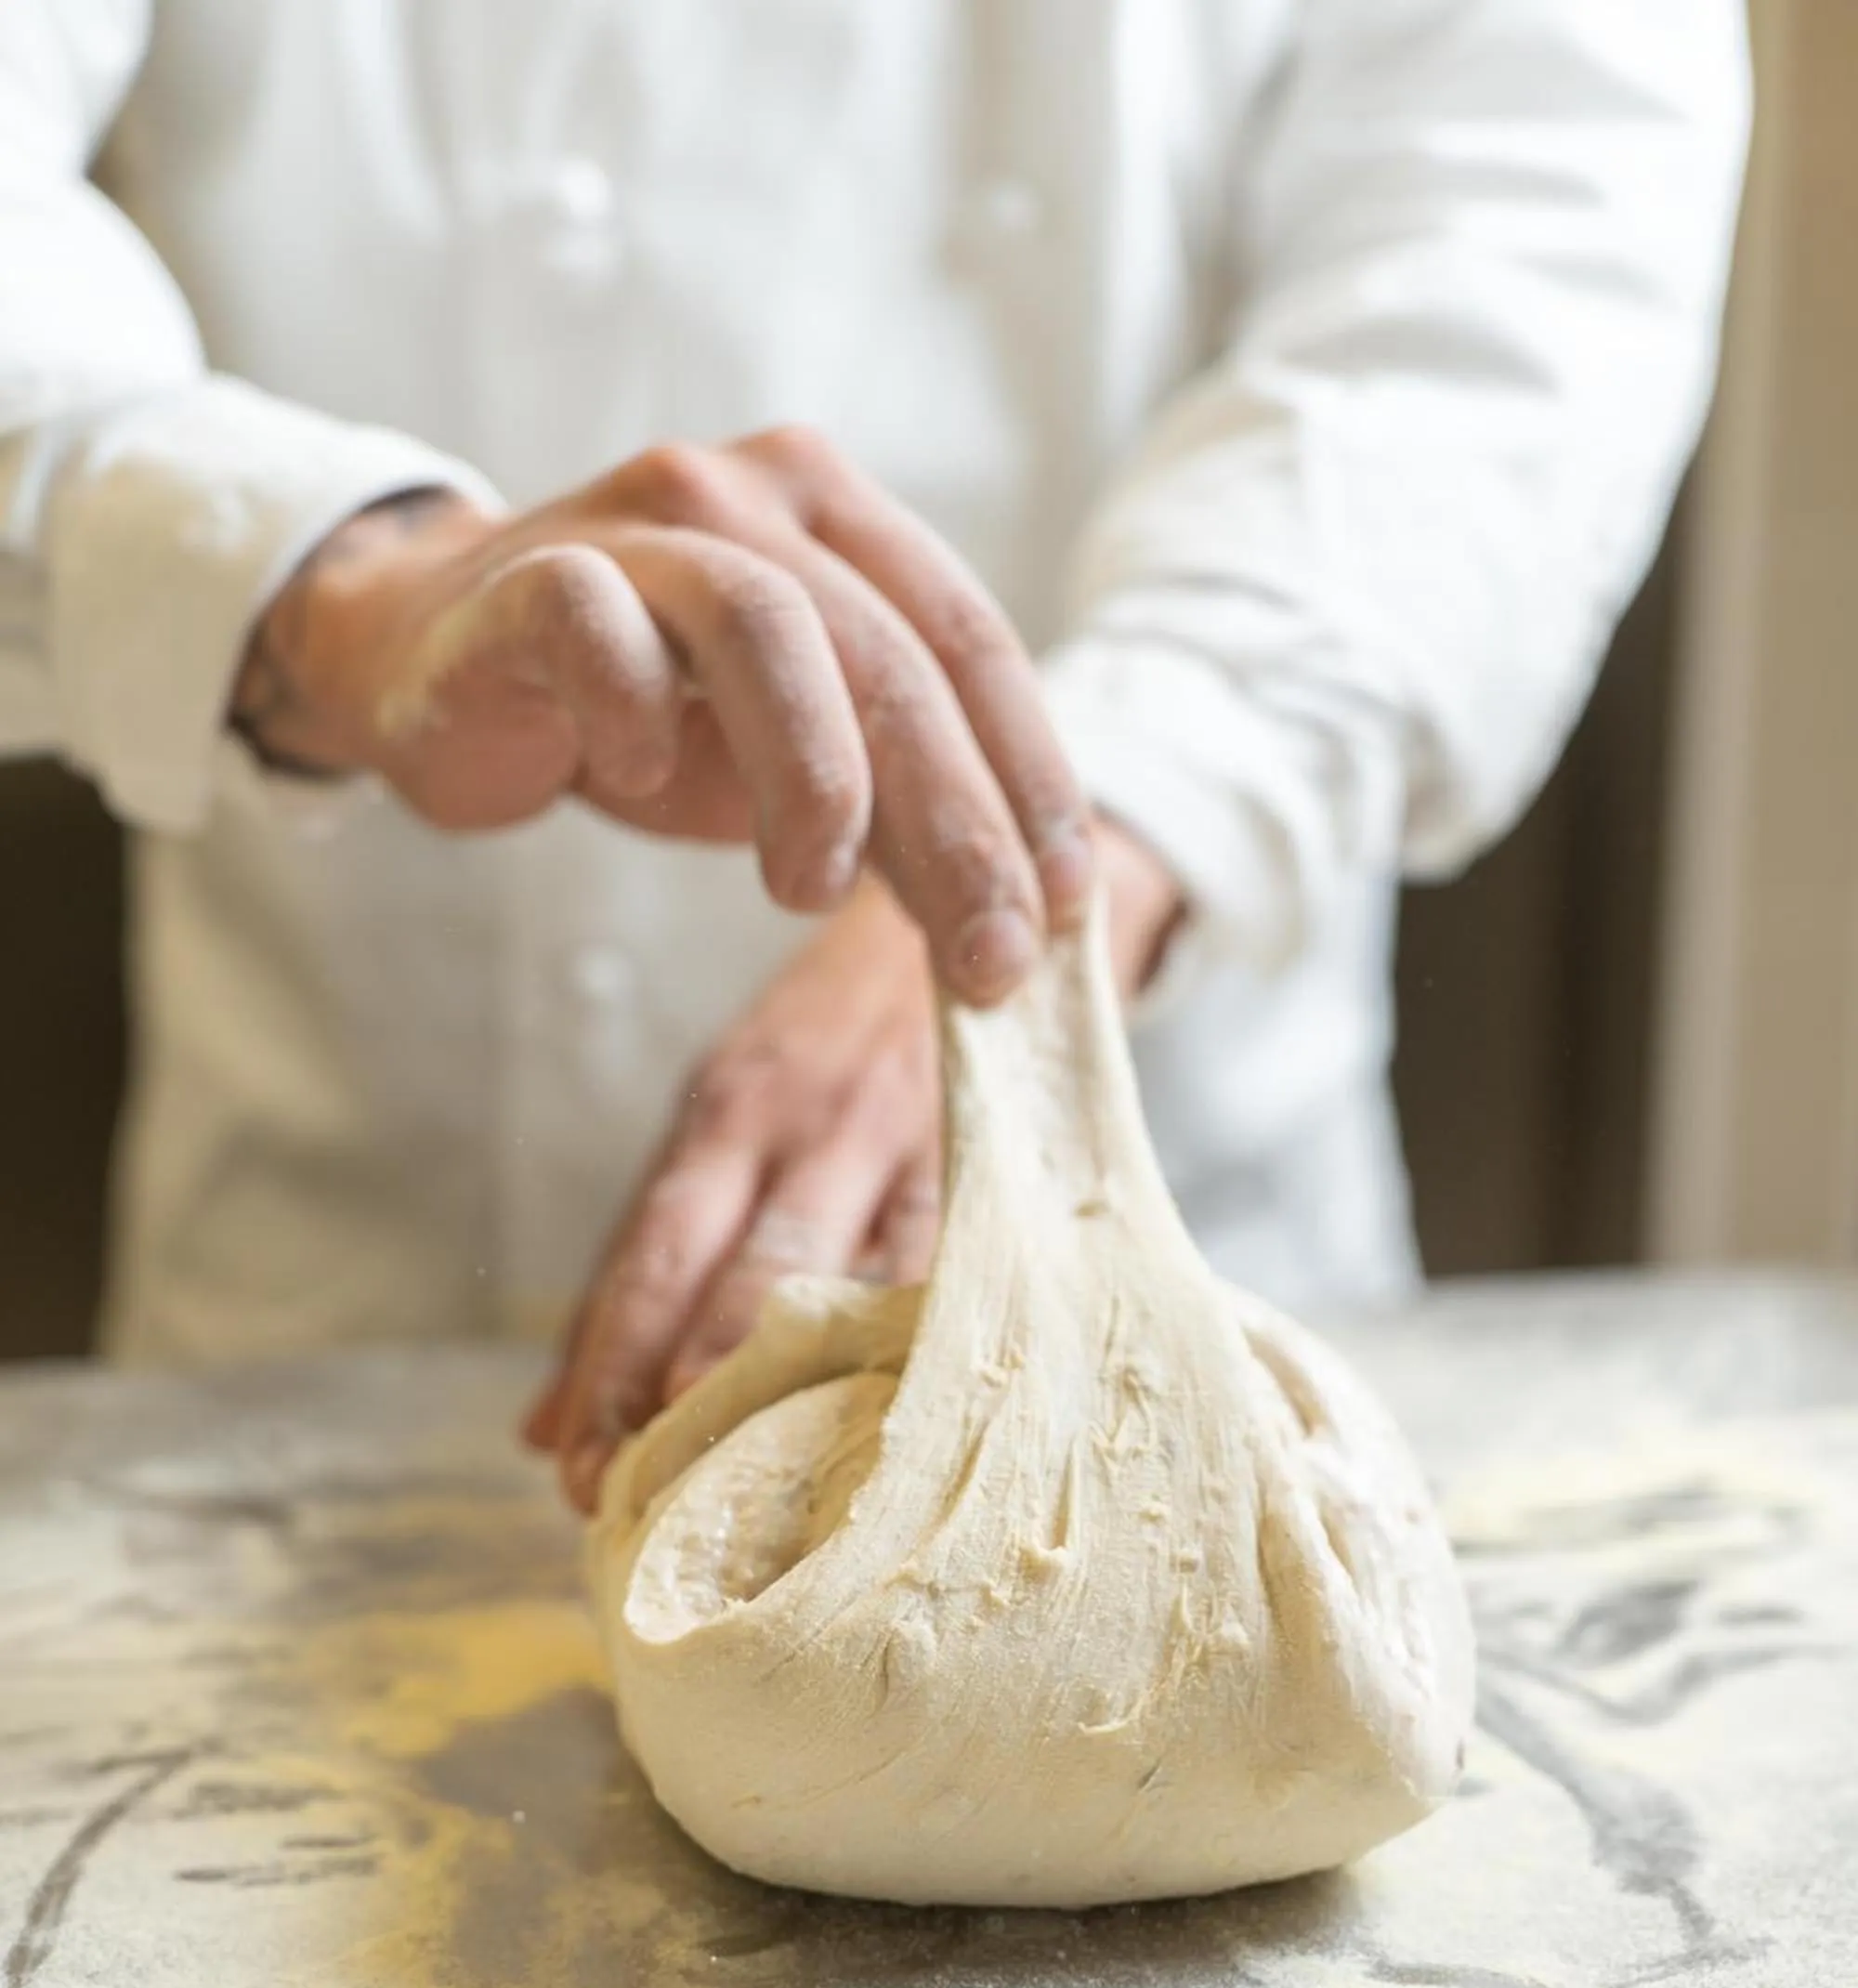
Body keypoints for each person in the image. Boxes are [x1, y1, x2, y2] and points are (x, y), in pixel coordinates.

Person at [1, 4, 1748, 1512]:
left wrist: (1073, 851)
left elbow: (1509, 283)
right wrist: (329, 587)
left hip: (1171, 1265)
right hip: (326, 1315)